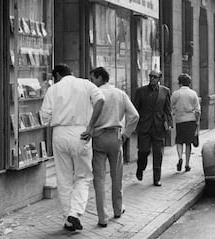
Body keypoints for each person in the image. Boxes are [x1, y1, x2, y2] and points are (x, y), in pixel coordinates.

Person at [40, 64, 105, 231]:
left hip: (59, 133)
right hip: (81, 132)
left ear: (57, 75)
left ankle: (68, 217)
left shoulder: (53, 89)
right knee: (83, 176)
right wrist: (91, 126)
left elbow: (45, 117)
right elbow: (101, 100)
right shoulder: (85, 84)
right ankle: (75, 213)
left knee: (64, 178)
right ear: (71, 73)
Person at [81, 67, 139, 227]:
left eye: (93, 78)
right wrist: (126, 134)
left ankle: (102, 218)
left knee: (99, 179)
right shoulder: (120, 93)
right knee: (117, 176)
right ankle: (118, 209)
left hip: (98, 137)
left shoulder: (94, 94)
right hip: (115, 136)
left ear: (99, 78)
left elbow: (86, 117)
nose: (91, 81)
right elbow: (134, 115)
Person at [133, 69, 172, 186]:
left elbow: (167, 109)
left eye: (154, 77)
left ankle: (157, 178)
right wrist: (134, 124)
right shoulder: (141, 91)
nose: (152, 79)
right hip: (144, 126)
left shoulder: (165, 91)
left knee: (158, 153)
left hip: (158, 127)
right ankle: (140, 168)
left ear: (159, 78)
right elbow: (135, 109)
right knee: (143, 151)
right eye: (150, 76)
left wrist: (169, 123)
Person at [170, 73, 200, 172]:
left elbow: (171, 106)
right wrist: (197, 121)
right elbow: (198, 110)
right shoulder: (193, 93)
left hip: (180, 120)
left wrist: (175, 111)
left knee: (179, 140)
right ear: (189, 83)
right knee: (188, 143)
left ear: (179, 83)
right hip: (191, 120)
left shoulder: (176, 94)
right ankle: (187, 164)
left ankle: (180, 158)